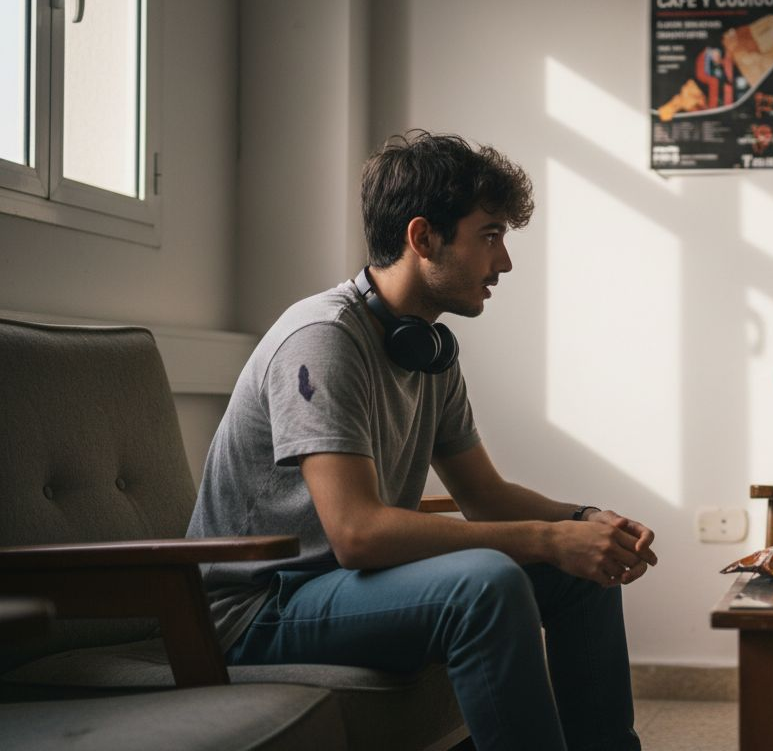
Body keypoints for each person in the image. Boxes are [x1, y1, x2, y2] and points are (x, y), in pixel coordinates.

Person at [187, 131, 656, 751]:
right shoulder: (323, 340)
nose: (505, 262)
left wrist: (587, 522)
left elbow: (484, 496)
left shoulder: (429, 349)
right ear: (422, 237)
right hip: (259, 608)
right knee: (486, 583)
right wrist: (547, 538)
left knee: (579, 574)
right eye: (490, 235)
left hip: (342, 591)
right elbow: (357, 535)